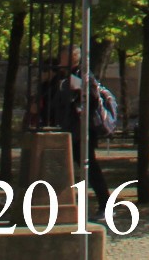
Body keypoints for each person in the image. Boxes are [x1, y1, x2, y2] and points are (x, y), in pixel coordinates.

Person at [47, 49, 108, 206]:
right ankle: (49, 201)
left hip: (80, 130)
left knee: (89, 166)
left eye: (63, 57)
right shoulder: (60, 76)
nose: (59, 60)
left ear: (73, 58)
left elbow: (93, 98)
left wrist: (79, 91)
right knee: (58, 164)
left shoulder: (84, 75)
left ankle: (105, 204)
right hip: (65, 127)